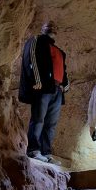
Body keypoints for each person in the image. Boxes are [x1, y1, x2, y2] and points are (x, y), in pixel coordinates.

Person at [18, 20, 70, 164]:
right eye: (48, 26)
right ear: (42, 29)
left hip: (56, 89)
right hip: (43, 87)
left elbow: (63, 70)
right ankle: (34, 150)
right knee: (38, 119)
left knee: (51, 123)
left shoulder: (59, 51)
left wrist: (65, 85)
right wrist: (37, 80)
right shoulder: (37, 41)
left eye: (54, 27)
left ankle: (46, 152)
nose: (51, 28)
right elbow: (32, 58)